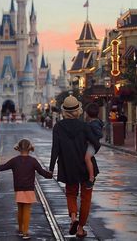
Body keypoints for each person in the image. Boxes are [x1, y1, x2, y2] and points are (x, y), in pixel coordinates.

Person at [49, 95, 101, 238]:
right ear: (78, 110)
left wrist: (51, 168)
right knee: (86, 197)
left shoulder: (58, 127)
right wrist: (90, 153)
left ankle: (73, 218)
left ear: (64, 110)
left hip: (68, 166)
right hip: (85, 166)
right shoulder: (84, 126)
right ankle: (80, 228)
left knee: (71, 193)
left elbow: (55, 149)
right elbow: (96, 143)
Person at [0, 138, 52, 240]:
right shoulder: (33, 161)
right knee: (27, 210)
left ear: (19, 148)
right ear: (29, 149)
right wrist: (49, 175)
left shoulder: (14, 161)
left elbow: (2, 167)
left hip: (18, 188)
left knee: (20, 208)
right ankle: (25, 232)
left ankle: (20, 229)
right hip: (29, 188)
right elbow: (42, 172)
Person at [85, 103, 104, 189]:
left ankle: (91, 178)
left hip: (92, 145)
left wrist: (91, 139)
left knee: (87, 158)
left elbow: (99, 134)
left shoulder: (94, 123)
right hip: (91, 144)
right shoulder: (93, 122)